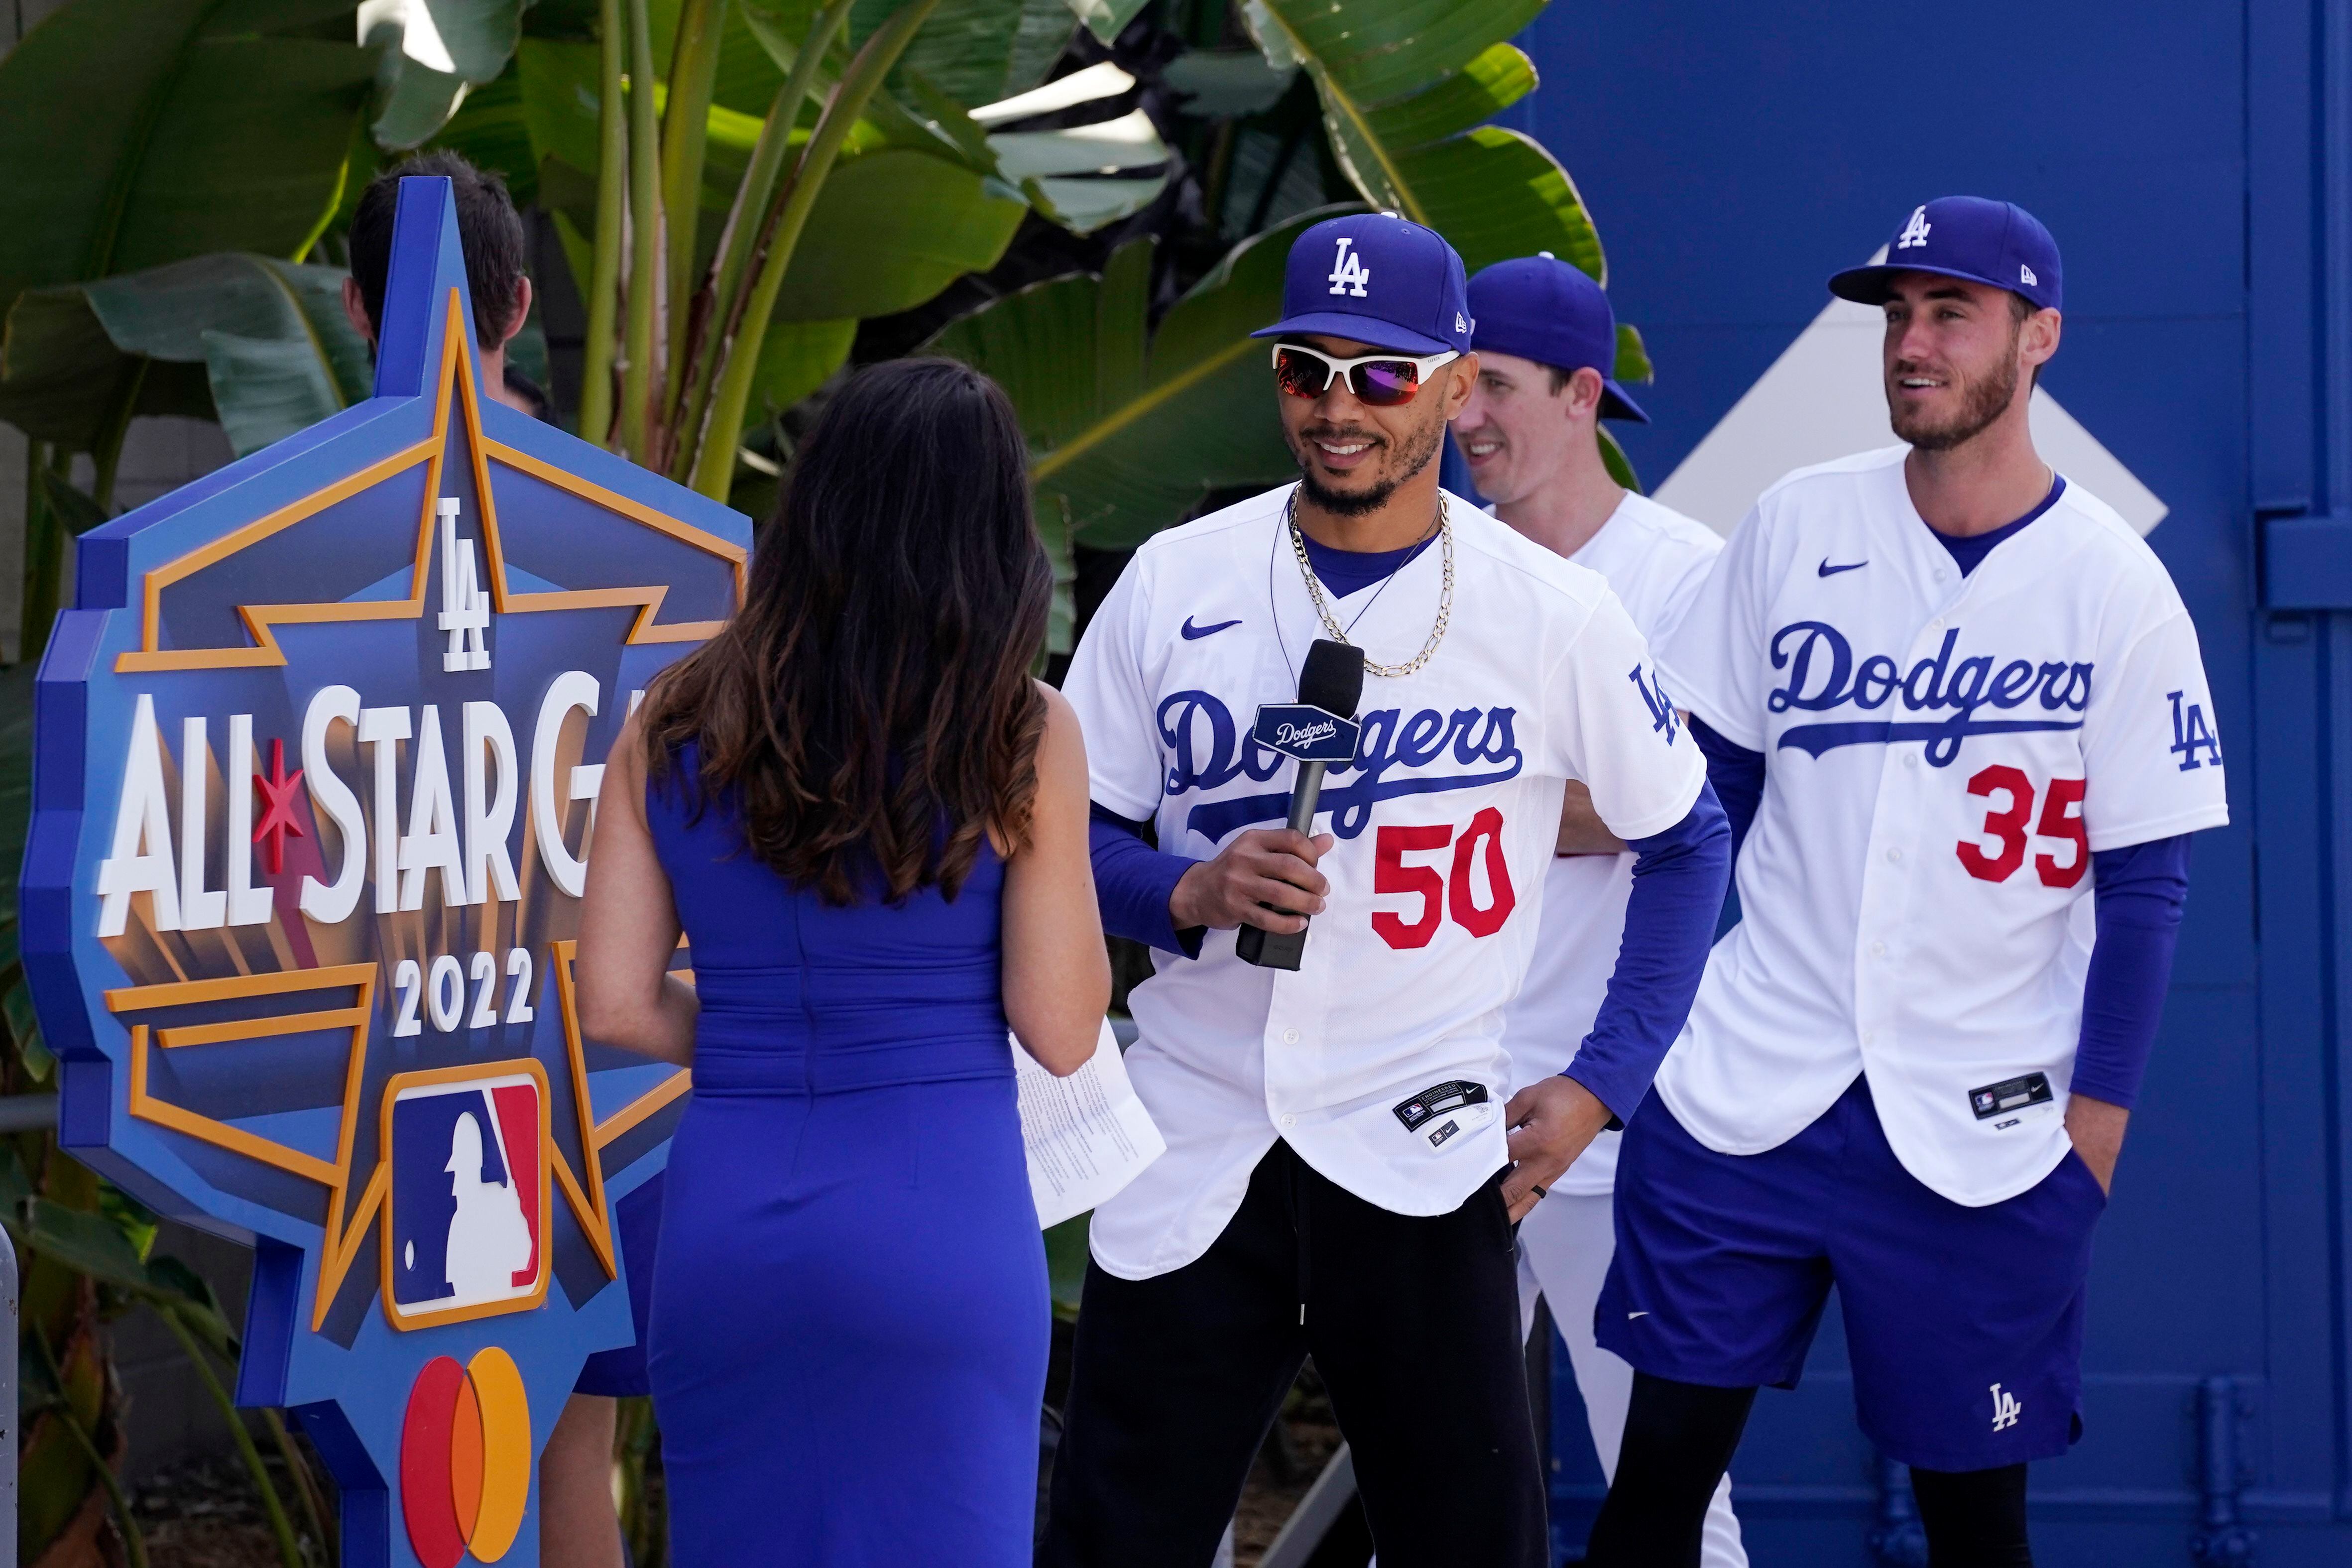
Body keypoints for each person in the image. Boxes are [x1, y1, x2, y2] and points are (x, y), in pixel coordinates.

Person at [1042, 212, 1732, 1568]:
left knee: (1469, 1545)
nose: (1339, 407)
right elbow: (1066, 844)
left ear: (1456, 382)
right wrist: (1188, 888)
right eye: (1308, 370)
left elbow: (1686, 838)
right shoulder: (1178, 583)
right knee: (1115, 1545)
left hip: (1418, 1141)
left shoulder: (1552, 610)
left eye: (1381, 374)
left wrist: (1602, 1080)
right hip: (1199, 1134)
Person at [1583, 197, 2230, 1567]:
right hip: (1746, 1090)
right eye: (1895, 313)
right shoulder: (1792, 524)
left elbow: (2147, 886)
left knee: (1973, 1528)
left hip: (1983, 1125)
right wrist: (1647, 1038)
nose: (1910, 342)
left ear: (2036, 334)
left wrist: (2091, 1134)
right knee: (1648, 1507)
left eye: (1950, 311)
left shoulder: (2114, 586)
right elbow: (1703, 809)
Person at [575, 357, 1109, 1565]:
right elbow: (1062, 1023)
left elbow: (610, 999)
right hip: (938, 1227)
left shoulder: (671, 717)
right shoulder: (1022, 729)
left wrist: (777, 1043)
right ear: (993, 541)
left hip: (724, 1229)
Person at [341, 149, 636, 1567]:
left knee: (394, 1438)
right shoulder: (642, 540)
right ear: (518, 302)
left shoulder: (286, 537)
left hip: (366, 1069)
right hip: (591, 1069)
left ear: (352, 306)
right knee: (571, 1428)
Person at [1454, 253, 1748, 1568]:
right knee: (1430, 1488)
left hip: (1607, 1112)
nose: (1464, 415)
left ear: (1582, 397)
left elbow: (1665, 806)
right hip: (1422, 1103)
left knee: (1669, 1497)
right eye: (1455, 384)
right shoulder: (1428, 570)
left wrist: (1454, 794)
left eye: (1495, 387)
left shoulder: (1686, 575)